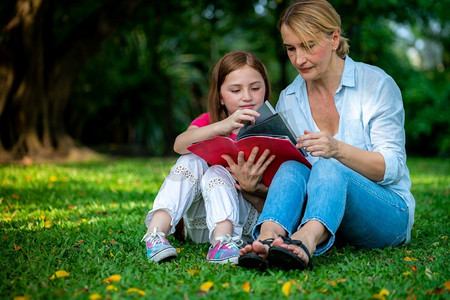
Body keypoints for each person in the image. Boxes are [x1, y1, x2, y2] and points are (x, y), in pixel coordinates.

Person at [238, 0, 415, 271]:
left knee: (330, 165)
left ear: (334, 38)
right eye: (290, 48)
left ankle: (305, 241)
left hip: (387, 212)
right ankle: (268, 237)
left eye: (308, 45)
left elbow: (391, 168)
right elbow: (301, 178)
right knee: (290, 166)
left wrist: (337, 150)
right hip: (327, 211)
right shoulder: (290, 97)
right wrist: (255, 188)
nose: (299, 59)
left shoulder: (376, 85)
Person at [141, 50, 275, 264]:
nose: (247, 96)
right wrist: (222, 126)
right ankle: (156, 234)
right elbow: (179, 145)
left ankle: (222, 242)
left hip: (244, 225)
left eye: (255, 88)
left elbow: (278, 203)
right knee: (191, 158)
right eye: (235, 90)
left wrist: (252, 188)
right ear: (220, 96)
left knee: (216, 171)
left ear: (265, 89)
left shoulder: (274, 130)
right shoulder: (209, 122)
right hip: (201, 221)